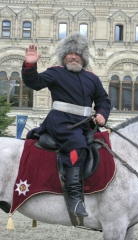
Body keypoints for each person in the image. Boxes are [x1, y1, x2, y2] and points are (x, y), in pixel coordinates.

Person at [21, 32, 111, 217]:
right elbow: (35, 82)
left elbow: (103, 101)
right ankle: (74, 198)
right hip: (62, 124)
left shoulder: (92, 78)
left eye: (77, 54)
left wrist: (102, 114)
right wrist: (30, 65)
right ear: (63, 56)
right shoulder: (56, 72)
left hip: (86, 124)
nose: (73, 56)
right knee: (76, 147)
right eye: (70, 53)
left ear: (83, 57)